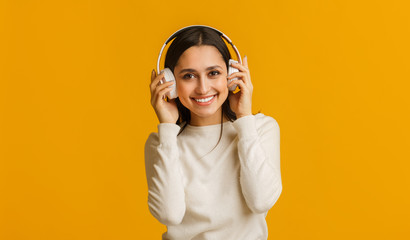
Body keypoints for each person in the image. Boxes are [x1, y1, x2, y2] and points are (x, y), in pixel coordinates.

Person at [144, 25, 282, 240]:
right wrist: (168, 131)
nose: (203, 88)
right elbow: (168, 214)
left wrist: (244, 119)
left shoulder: (261, 129)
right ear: (169, 83)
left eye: (214, 73)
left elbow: (261, 200)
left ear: (232, 75)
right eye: (189, 76)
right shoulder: (162, 142)